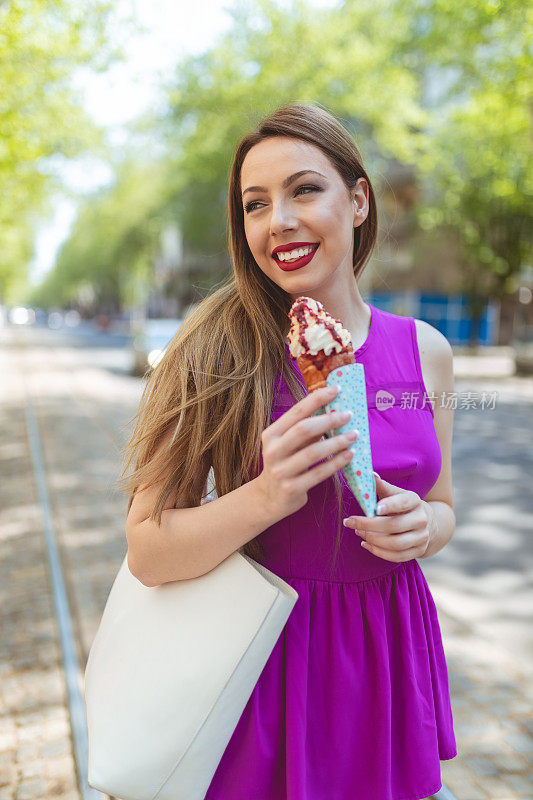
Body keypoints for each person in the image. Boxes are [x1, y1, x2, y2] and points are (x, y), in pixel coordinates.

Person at [120, 103, 457, 800]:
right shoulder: (210, 351)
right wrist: (265, 496)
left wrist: (423, 529)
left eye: (304, 190)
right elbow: (148, 550)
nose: (278, 221)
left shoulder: (426, 351)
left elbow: (444, 505)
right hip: (263, 661)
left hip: (387, 654)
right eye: (254, 204)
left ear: (358, 200)